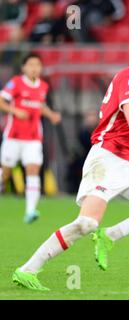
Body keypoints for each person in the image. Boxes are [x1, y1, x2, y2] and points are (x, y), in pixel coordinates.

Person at [12, 30, 129, 291]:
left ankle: (110, 235)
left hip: (126, 164)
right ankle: (27, 270)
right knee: (87, 223)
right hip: (105, 159)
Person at [0, 53, 61, 223]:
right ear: (24, 68)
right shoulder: (16, 83)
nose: (35, 68)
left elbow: (39, 104)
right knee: (5, 173)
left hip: (34, 138)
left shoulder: (43, 86)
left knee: (33, 170)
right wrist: (15, 111)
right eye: (31, 65)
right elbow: (1, 101)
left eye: (38, 65)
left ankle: (30, 211)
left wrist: (51, 115)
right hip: (14, 136)